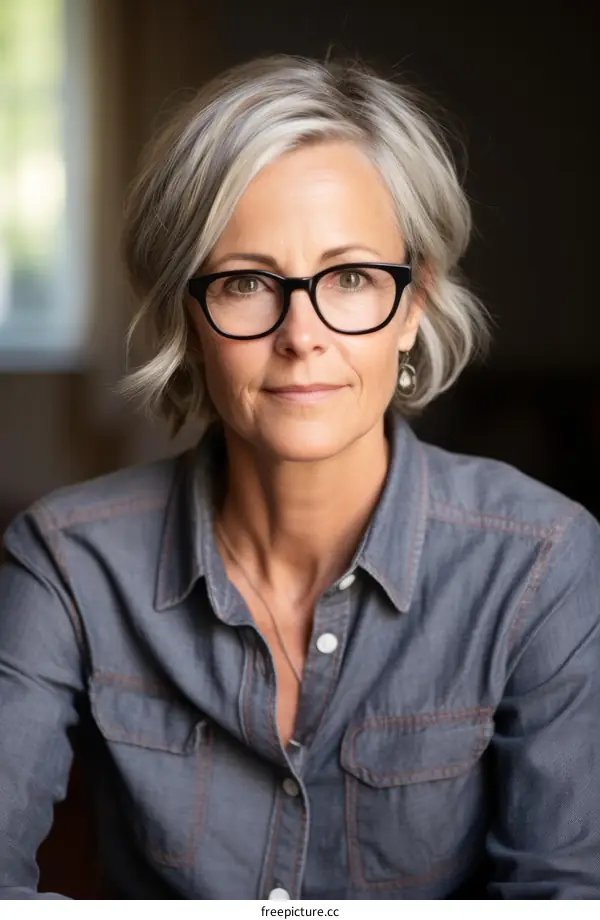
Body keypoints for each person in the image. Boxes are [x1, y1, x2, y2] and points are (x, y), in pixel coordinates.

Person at [1, 55, 599, 901]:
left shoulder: (544, 564)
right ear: (188, 314)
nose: (300, 334)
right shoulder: (66, 562)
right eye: (248, 283)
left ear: (415, 304)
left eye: (351, 278)